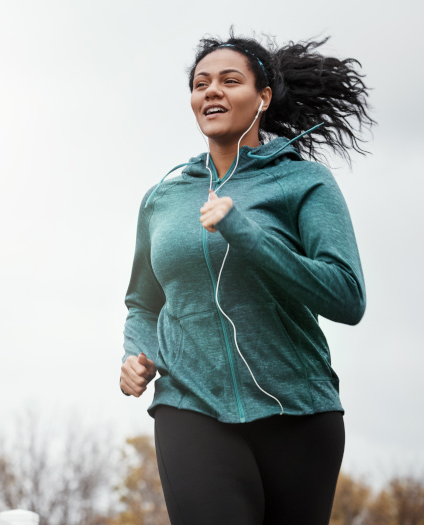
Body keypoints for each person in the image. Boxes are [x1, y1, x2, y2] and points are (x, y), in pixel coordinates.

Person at [119, 31, 374, 525]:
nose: (211, 91)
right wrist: (136, 354)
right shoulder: (163, 198)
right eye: (201, 83)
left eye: (229, 80)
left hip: (299, 412)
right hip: (189, 403)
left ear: (263, 98)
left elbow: (347, 296)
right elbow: (142, 302)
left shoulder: (304, 182)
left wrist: (248, 235)